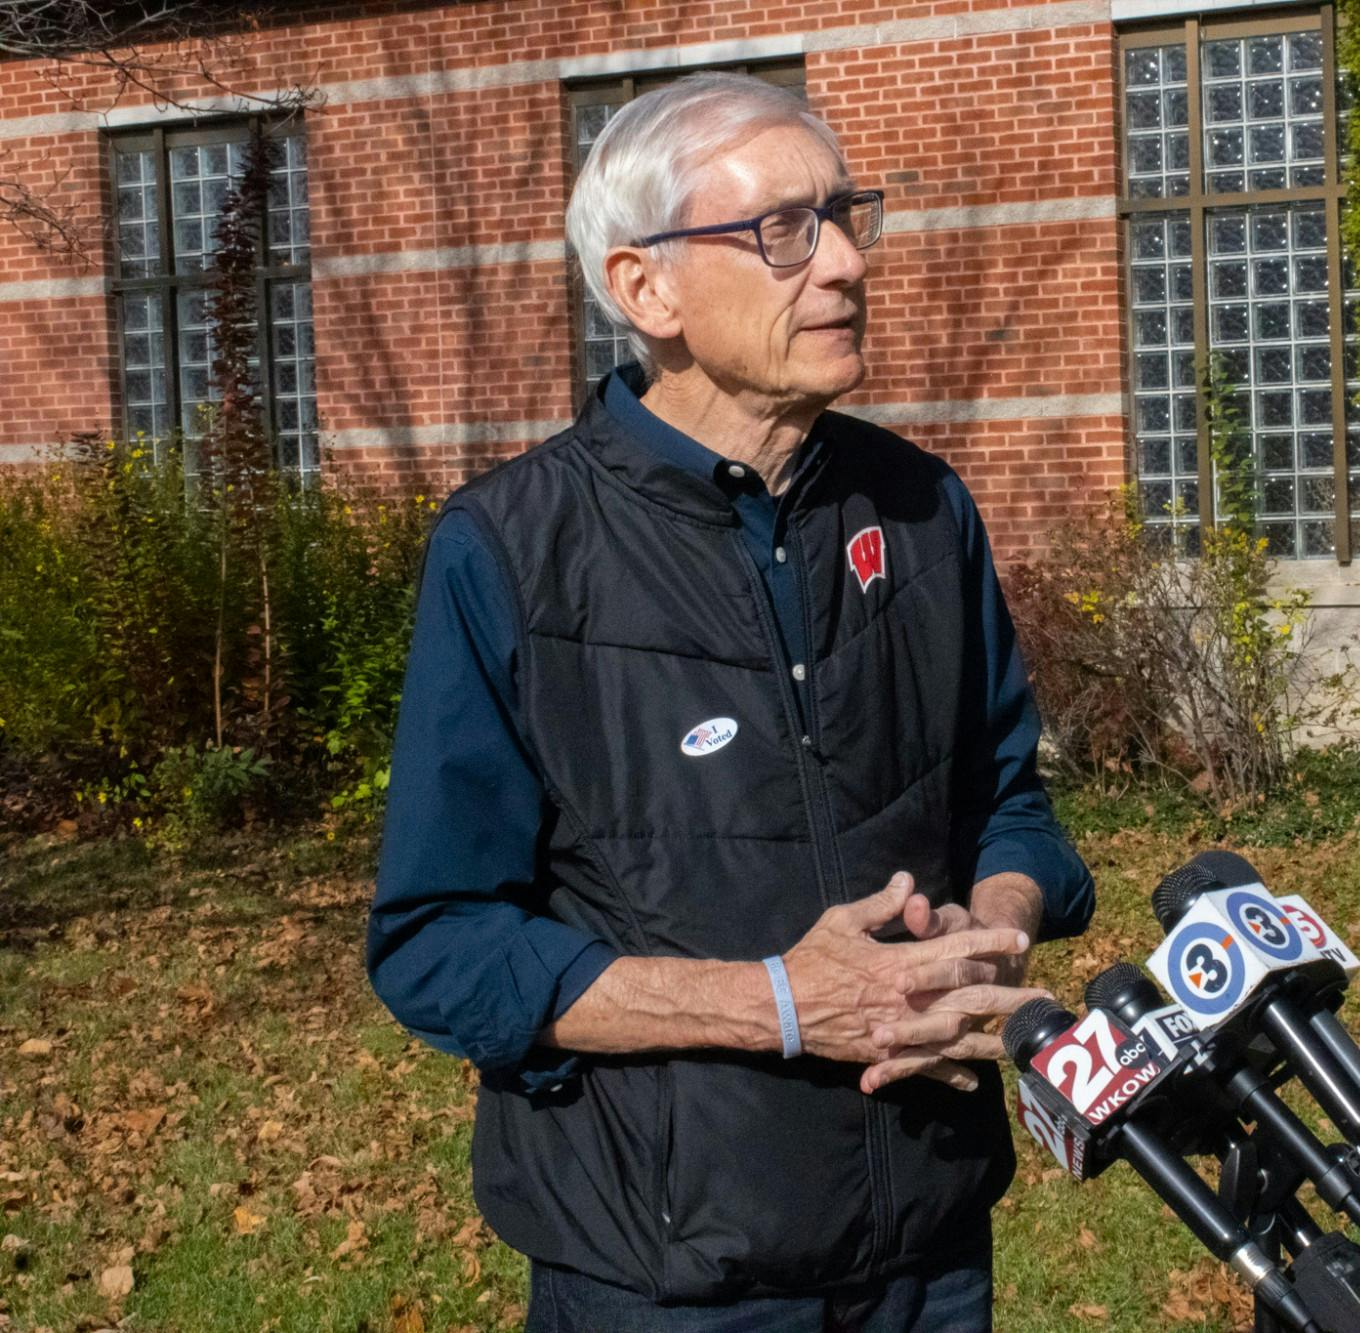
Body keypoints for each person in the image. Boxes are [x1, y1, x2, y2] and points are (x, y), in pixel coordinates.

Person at [364, 71, 1095, 1331]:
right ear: (643, 288)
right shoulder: (511, 550)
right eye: (782, 231)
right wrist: (773, 1004)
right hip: (671, 1268)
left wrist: (992, 927)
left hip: (928, 1245)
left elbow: (1007, 802)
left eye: (846, 214)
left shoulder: (922, 512)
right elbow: (437, 943)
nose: (846, 263)